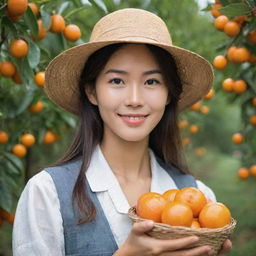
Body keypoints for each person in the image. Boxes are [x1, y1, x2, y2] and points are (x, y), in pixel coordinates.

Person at [12, 8, 232, 256]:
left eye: (151, 82)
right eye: (117, 81)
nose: (135, 99)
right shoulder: (47, 194)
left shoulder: (200, 198)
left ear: (168, 93)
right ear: (92, 92)